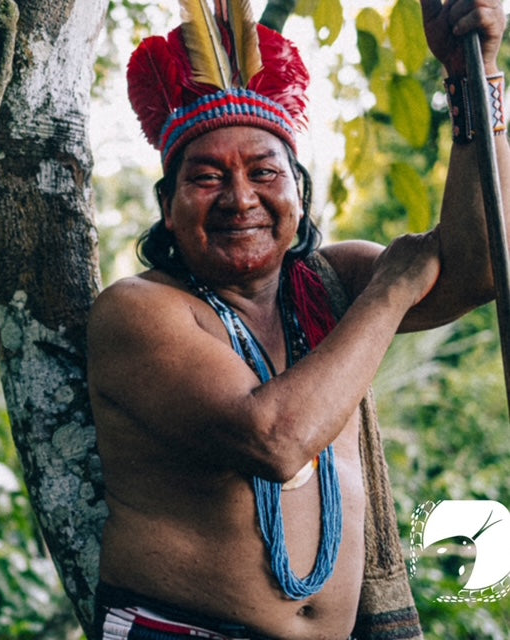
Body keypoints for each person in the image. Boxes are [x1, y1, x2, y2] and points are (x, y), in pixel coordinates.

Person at [87, 1, 509, 639]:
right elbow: (275, 441)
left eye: (263, 172)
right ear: (168, 209)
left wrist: (475, 76)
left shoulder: (332, 284)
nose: (240, 199)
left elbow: (481, 266)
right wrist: (388, 294)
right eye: (207, 177)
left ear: (300, 195)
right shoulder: (138, 310)